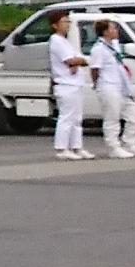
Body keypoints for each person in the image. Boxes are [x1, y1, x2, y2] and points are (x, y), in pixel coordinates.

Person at [90, 17, 135, 161]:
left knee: (134, 115)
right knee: (112, 118)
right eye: (112, 28)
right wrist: (97, 84)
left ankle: (130, 143)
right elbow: (94, 69)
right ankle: (113, 147)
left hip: (122, 86)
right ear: (104, 32)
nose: (116, 30)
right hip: (108, 86)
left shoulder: (114, 45)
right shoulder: (98, 49)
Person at [48, 15, 97, 160]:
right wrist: (81, 61)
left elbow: (75, 61)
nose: (68, 25)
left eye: (68, 22)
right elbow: (71, 60)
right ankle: (62, 148)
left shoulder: (65, 41)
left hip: (74, 83)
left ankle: (77, 147)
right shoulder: (56, 41)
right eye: (64, 22)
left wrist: (78, 62)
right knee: (67, 117)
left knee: (77, 118)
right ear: (55, 25)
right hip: (65, 84)